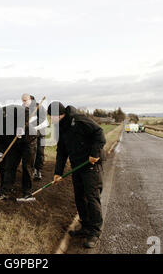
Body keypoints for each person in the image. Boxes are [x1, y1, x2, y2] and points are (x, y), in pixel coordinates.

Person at [47, 101, 106, 249]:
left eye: (51, 116)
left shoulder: (79, 120)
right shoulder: (59, 127)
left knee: (92, 197)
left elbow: (99, 133)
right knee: (79, 196)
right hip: (77, 165)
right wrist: (57, 172)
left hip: (90, 164)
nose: (50, 119)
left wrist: (94, 153)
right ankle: (85, 225)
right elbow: (61, 151)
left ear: (60, 114)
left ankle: (94, 232)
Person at [0, 105, 37, 200]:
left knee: (27, 166)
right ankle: (6, 190)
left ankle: (27, 192)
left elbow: (26, 111)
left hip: (28, 140)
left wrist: (21, 126)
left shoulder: (6, 110)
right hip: (14, 143)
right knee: (10, 166)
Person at [21, 94, 48, 181]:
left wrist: (31, 126)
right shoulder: (23, 108)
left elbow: (42, 119)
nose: (23, 102)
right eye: (22, 100)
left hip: (41, 133)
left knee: (40, 152)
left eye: (25, 100)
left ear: (30, 99)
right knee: (31, 153)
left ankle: (38, 170)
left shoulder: (39, 106)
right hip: (30, 135)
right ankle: (30, 170)